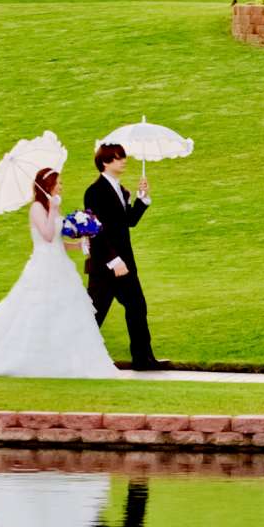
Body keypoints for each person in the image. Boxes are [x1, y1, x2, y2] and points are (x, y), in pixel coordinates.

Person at [0, 167, 120, 377]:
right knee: (36, 308)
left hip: (61, 265)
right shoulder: (37, 208)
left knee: (66, 310)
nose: (61, 186)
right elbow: (47, 236)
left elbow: (57, 241)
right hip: (44, 266)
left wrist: (78, 246)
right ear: (48, 185)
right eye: (59, 183)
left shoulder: (51, 206)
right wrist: (54, 209)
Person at [82, 143, 164, 371]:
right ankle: (71, 354)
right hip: (106, 265)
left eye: (123, 156)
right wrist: (113, 260)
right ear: (105, 162)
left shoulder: (121, 189)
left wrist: (142, 199)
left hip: (125, 263)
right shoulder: (95, 191)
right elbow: (96, 230)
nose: (123, 161)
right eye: (118, 158)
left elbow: (129, 221)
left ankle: (143, 359)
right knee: (94, 313)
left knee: (137, 306)